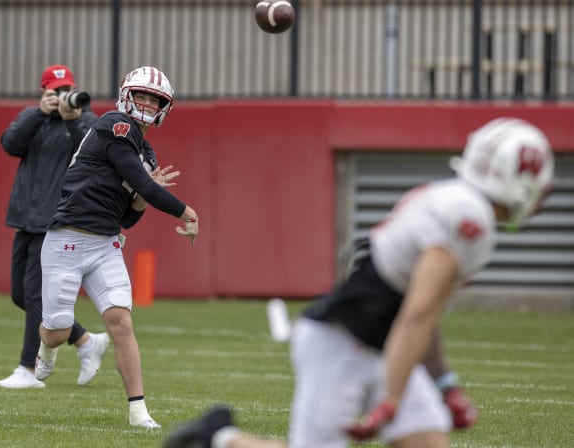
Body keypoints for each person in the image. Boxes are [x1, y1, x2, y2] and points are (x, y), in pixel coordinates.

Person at [163, 118, 554, 448]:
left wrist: (445, 384)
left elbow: (421, 309)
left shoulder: (453, 199)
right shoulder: (469, 219)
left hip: (382, 345)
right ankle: (219, 438)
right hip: (341, 343)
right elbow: (417, 313)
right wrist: (392, 401)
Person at [35, 66, 199, 428]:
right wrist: (184, 210)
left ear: (163, 107)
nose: (145, 102)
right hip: (67, 238)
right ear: (127, 95)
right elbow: (143, 182)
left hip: (105, 243)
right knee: (59, 330)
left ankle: (138, 410)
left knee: (121, 322)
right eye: (140, 95)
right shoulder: (114, 124)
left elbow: (129, 218)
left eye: (153, 99)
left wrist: (141, 197)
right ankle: (46, 346)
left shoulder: (148, 153)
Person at [0, 64, 109, 390]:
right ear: (44, 92)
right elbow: (9, 143)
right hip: (24, 219)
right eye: (55, 91)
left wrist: (70, 115)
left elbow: (89, 145)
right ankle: (86, 341)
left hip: (55, 221)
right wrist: (37, 114)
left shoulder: (85, 119)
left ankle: (28, 370)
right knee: (22, 295)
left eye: (66, 90)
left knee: (35, 295)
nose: (61, 97)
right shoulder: (33, 116)